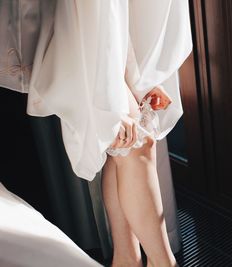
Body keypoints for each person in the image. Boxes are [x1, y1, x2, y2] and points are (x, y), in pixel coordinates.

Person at [0, 0, 192, 266]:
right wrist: (114, 84)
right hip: (85, 34)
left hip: (106, 36)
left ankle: (126, 259)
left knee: (127, 142)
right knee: (137, 142)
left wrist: (134, 78)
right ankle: (160, 263)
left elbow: (120, 14)